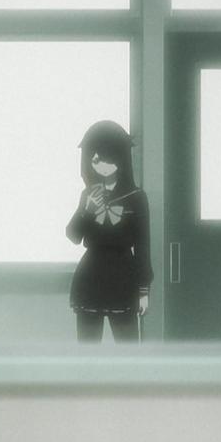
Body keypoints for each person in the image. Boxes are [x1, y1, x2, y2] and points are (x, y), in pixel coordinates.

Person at [66, 120, 153, 342]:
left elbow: (143, 246)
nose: (100, 164)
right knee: (87, 349)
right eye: (95, 159)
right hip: (90, 276)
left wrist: (144, 291)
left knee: (128, 347)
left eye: (107, 158)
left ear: (121, 158)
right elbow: (73, 236)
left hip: (123, 278)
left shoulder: (137, 198)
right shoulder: (87, 195)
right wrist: (86, 210)